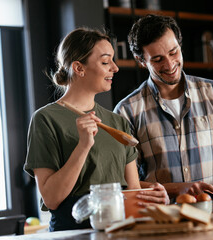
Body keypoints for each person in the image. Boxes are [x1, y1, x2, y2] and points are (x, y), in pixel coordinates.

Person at [23, 27, 169, 232]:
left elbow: (133, 190)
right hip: (72, 233)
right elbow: (52, 199)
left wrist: (153, 197)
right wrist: (83, 146)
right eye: (105, 61)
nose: (115, 68)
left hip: (121, 232)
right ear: (79, 68)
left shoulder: (117, 122)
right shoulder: (45, 119)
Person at [114, 14, 213, 203]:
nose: (169, 64)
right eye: (158, 59)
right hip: (161, 220)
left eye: (173, 52)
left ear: (180, 45)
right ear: (141, 60)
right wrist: (177, 189)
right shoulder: (127, 112)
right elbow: (126, 181)